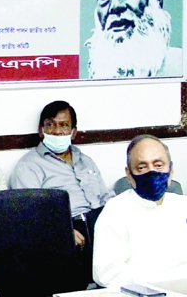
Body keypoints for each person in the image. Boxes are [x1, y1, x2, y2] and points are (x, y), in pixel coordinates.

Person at [9, 100, 114, 250]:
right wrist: (62, 230)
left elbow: (105, 196)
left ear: (73, 132)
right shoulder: (29, 166)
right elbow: (28, 213)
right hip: (67, 229)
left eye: (64, 125)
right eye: (51, 125)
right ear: (41, 131)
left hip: (101, 223)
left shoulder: (85, 160)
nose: (57, 131)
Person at [93, 135, 187, 287]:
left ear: (171, 170)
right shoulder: (116, 210)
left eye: (158, 165)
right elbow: (107, 273)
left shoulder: (183, 206)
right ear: (129, 174)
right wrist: (162, 284)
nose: (152, 173)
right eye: (142, 167)